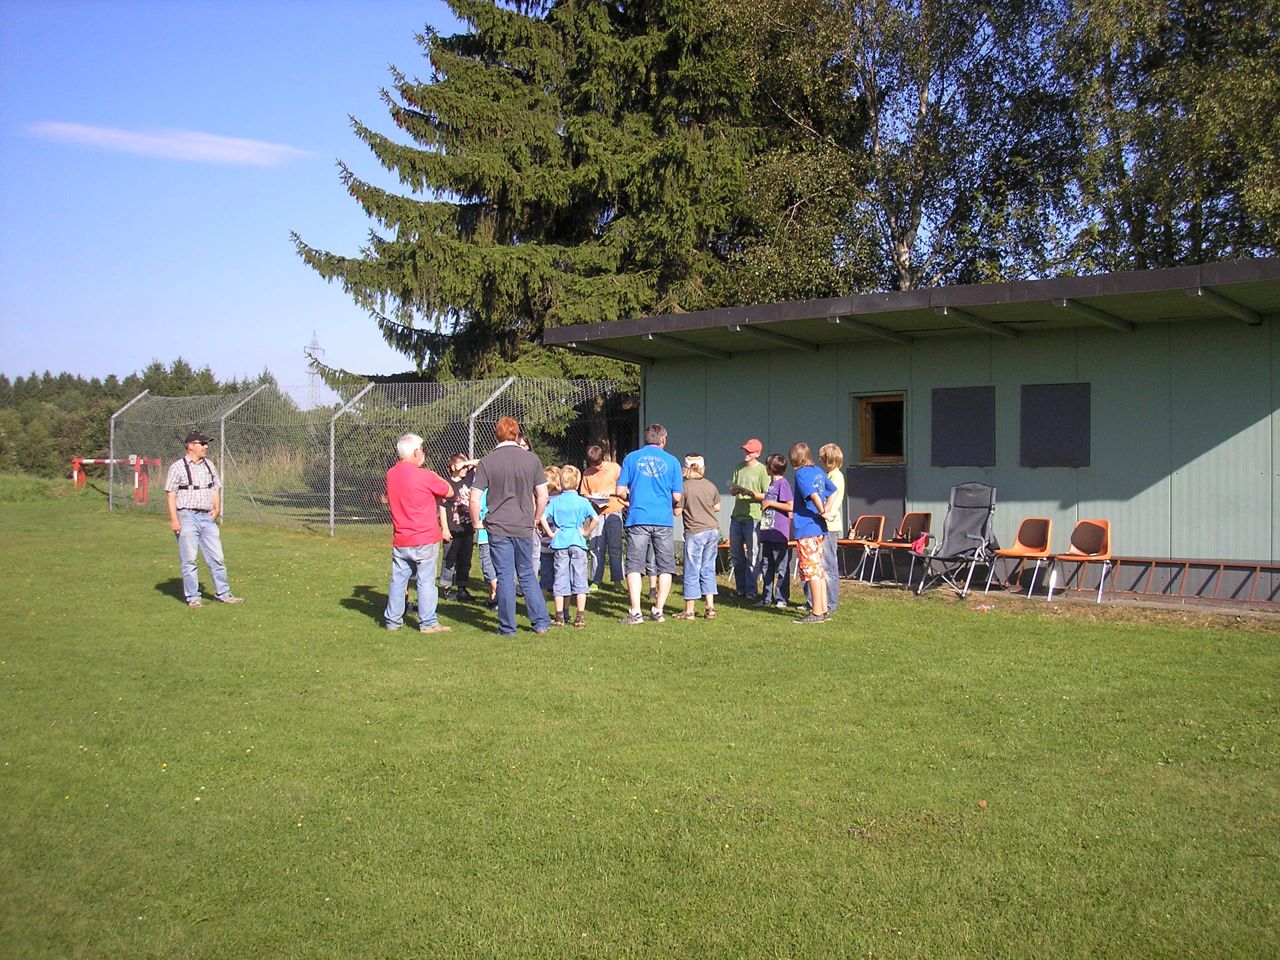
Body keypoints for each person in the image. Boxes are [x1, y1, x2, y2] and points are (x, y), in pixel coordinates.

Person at [469, 416, 552, 636]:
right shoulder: (531, 460)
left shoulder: (487, 462)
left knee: (504, 576)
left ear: (497, 434)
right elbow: (543, 496)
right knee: (527, 572)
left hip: (497, 526)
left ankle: (507, 627)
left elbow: (475, 498)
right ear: (516, 434)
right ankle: (541, 622)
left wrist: (477, 522)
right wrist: (536, 518)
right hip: (523, 524)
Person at [164, 429, 244, 608]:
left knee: (217, 558)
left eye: (206, 443)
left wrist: (216, 509)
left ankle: (223, 594)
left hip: (207, 518)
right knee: (189, 559)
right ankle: (193, 597)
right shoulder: (177, 467)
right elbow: (171, 494)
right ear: (190, 446)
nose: (206, 446)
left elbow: (215, 488)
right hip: (186, 516)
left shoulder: (209, 465)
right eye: (202, 443)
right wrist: (174, 519)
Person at [382, 433, 453, 634]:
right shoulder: (424, 475)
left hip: (401, 537)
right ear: (416, 452)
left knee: (398, 580)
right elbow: (448, 491)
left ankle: (393, 621)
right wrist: (435, 475)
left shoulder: (391, 474)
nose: (423, 453)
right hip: (424, 537)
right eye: (422, 449)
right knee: (426, 581)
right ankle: (428, 622)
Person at [616, 423, 683, 624]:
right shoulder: (672, 461)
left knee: (634, 565)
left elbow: (620, 491)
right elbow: (677, 496)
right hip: (663, 519)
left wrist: (632, 497)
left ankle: (636, 612)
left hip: (638, 517)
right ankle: (658, 610)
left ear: (646, 439)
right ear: (663, 440)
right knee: (666, 566)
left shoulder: (631, 458)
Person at [542, 464, 596, 628]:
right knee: (580, 580)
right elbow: (595, 518)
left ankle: (559, 616)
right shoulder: (583, 501)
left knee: (560, 578)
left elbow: (542, 517)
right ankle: (580, 617)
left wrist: (551, 533)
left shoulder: (556, 501)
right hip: (578, 542)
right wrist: (586, 532)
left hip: (560, 543)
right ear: (578, 482)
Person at [789, 442, 837, 624]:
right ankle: (823, 610)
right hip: (819, 528)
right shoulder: (817, 470)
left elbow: (813, 495)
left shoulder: (800, 474)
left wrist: (822, 510)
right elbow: (833, 491)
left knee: (811, 570)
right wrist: (826, 511)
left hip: (807, 528)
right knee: (819, 570)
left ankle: (816, 612)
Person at [673, 454, 720, 620]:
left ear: (685, 469)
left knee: (692, 569)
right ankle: (710, 607)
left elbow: (677, 512)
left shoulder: (684, 487)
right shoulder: (710, 485)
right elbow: (717, 507)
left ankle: (689, 610)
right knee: (708, 568)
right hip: (713, 530)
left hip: (695, 531)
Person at [727, 438, 768, 599]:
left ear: (757, 453)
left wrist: (751, 494)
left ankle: (751, 591)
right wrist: (735, 490)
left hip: (754, 517)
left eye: (749, 451)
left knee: (753, 554)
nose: (746, 453)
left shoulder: (763, 471)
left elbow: (767, 495)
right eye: (745, 450)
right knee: (736, 554)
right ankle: (740, 589)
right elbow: (732, 489)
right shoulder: (739, 468)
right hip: (737, 516)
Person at [580, 444, 624, 587]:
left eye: (598, 464)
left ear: (603, 458)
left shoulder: (615, 468)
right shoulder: (587, 473)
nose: (597, 468)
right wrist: (592, 496)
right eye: (594, 465)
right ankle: (595, 580)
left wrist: (610, 492)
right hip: (596, 513)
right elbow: (584, 493)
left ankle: (617, 580)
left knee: (615, 547)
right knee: (596, 547)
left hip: (614, 510)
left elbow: (624, 487)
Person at [755, 453, 794, 608]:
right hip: (768, 530)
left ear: (771, 468)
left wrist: (770, 503)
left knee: (781, 566)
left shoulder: (783, 484)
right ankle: (766, 597)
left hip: (779, 531)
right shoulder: (771, 484)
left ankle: (781, 598)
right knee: (766, 565)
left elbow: (789, 506)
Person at [439, 453, 478, 602]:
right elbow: (442, 507)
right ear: (454, 466)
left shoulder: (467, 479)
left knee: (465, 560)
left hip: (466, 528)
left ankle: (462, 588)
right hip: (453, 529)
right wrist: (444, 528)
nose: (465, 469)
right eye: (462, 466)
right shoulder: (447, 484)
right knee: (450, 560)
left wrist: (466, 463)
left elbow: (481, 463)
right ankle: (447, 588)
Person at [818, 443, 845, 612]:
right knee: (821, 565)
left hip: (830, 524)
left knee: (828, 565)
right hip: (824, 523)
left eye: (822, 458)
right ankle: (820, 601)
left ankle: (831, 603)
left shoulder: (836, 476)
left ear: (829, 460)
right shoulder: (829, 475)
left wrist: (824, 512)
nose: (820, 461)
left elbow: (832, 499)